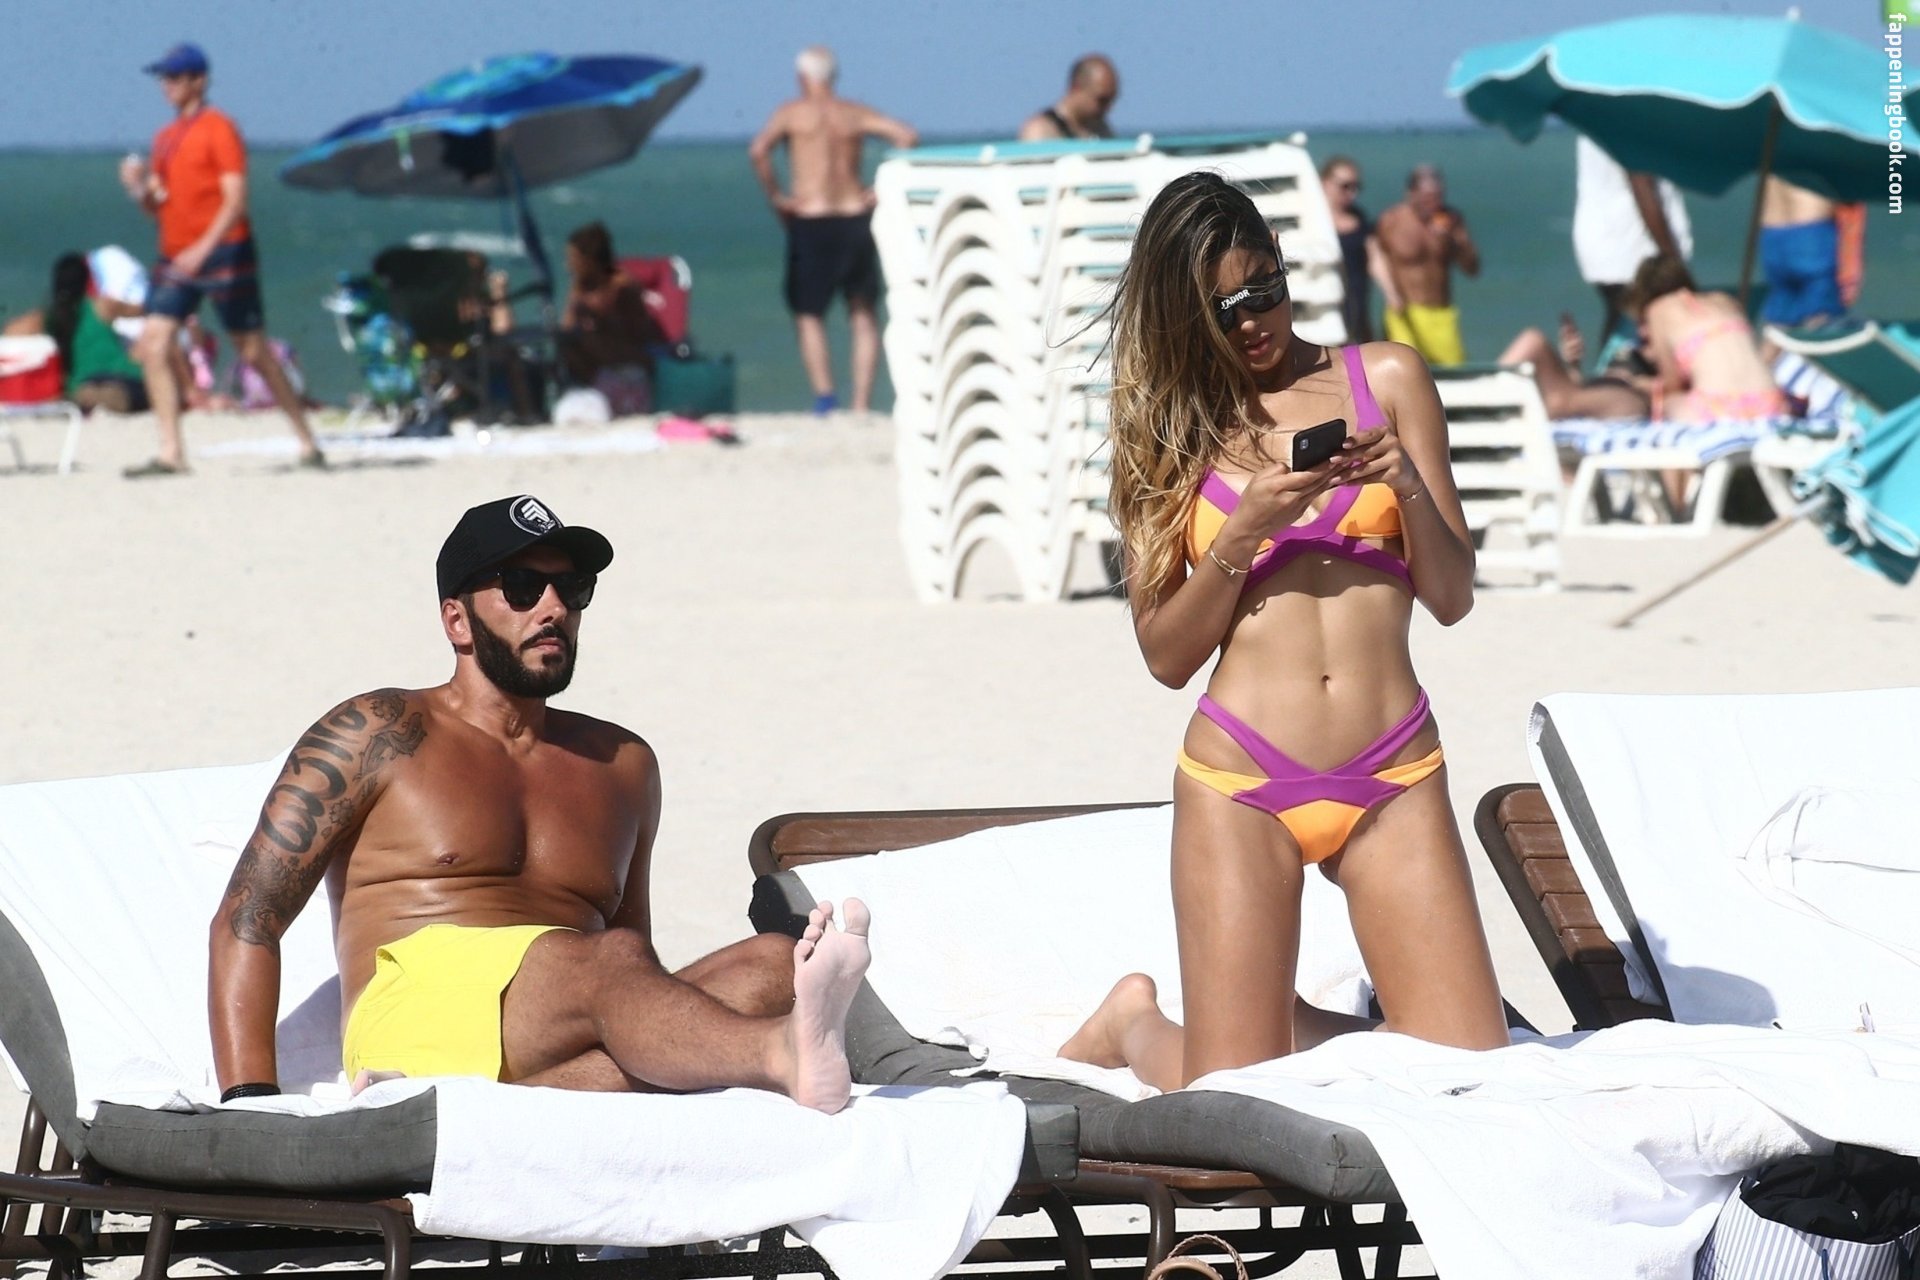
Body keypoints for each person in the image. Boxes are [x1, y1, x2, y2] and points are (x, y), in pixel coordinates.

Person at [1057, 173, 1509, 1091]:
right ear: (1185, 318)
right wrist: (1244, 529)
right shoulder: (1166, 432)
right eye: (1223, 312)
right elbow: (1166, 656)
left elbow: (1453, 597)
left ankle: (1285, 1022)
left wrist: (1406, 484)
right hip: (1241, 779)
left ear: (1281, 266)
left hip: (1395, 768)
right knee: (1230, 1101)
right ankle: (1134, 1023)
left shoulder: (1387, 378)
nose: (1253, 323)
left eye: (1264, 290)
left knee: (1473, 1079)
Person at [206, 493, 871, 1110]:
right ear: (457, 619)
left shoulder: (623, 765)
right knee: (610, 959)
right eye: (523, 587)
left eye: (572, 588)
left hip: (563, 1017)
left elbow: (637, 958)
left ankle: (480, 1110)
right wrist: (251, 1106)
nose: (553, 608)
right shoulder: (377, 732)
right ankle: (775, 1053)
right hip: (416, 1009)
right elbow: (247, 921)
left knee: (771, 965)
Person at [119, 42, 322, 476]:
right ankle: (171, 452)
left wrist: (204, 248)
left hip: (225, 248)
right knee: (154, 343)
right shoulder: (165, 138)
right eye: (164, 78)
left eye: (175, 77)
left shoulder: (219, 128)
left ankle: (306, 439)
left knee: (253, 350)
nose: (167, 86)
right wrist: (137, 188)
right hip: (176, 255)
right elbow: (159, 205)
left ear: (199, 81)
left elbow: (235, 200)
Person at [748, 46, 918, 416]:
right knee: (862, 311)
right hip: (854, 215)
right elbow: (906, 136)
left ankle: (825, 398)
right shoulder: (853, 113)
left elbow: (759, 151)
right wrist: (881, 188)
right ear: (833, 77)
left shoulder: (792, 113)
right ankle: (860, 404)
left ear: (801, 77)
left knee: (809, 313)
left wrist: (777, 197)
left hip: (811, 217)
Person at [1629, 252, 1787, 424]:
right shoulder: (1725, 300)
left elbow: (1674, 385)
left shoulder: (1657, 311)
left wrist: (1647, 385)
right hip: (1771, 404)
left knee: (1667, 403)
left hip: (1717, 409)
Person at [1571, 136, 1692, 357]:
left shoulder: (1600, 115)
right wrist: (1672, 259)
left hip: (1611, 243)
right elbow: (1641, 182)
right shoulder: (1633, 116)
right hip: (1631, 248)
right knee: (1639, 333)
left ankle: (1610, 374)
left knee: (1625, 328)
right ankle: (1614, 375)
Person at [7, 253, 151, 413]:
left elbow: (12, 330)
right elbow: (146, 308)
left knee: (89, 393)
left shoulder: (48, 318)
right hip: (120, 375)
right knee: (143, 385)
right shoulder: (101, 306)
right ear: (87, 281)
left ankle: (92, 398)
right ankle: (106, 397)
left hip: (81, 383)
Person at [556, 221, 667, 417]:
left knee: (586, 338)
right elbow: (567, 327)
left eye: (573, 258)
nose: (568, 265)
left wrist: (579, 297)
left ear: (589, 259)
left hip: (630, 370)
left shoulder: (621, 286)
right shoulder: (584, 288)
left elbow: (609, 320)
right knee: (567, 343)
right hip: (604, 373)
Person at [1375, 165, 1479, 366]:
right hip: (1405, 311)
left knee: (1454, 373)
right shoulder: (1392, 220)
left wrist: (1455, 241)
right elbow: (1375, 256)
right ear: (1411, 194)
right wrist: (1390, 292)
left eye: (1437, 197)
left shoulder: (1452, 220)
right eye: (1426, 198)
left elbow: (1472, 269)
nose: (1433, 204)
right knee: (1405, 368)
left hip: (1441, 313)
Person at [1319, 156, 1400, 344]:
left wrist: (1391, 293)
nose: (1352, 193)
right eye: (1345, 186)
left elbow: (1374, 258)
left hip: (1357, 298)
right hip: (1324, 300)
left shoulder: (1359, 217)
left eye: (1356, 187)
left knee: (1361, 343)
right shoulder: (1311, 220)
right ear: (1325, 183)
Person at [1759, 177, 1848, 329]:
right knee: (1820, 318)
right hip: (1811, 231)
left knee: (1779, 320)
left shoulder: (1771, 161)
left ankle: (1766, 346)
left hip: (1773, 233)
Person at [1018, 55, 1119, 141]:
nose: (1108, 108)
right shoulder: (1040, 131)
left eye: (1111, 101)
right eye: (1102, 100)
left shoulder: (1101, 131)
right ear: (1076, 88)